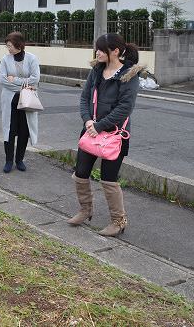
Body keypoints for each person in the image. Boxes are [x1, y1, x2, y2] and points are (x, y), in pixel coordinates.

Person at [68, 33, 142, 236]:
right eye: (97, 49)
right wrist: (88, 121)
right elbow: (84, 98)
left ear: (115, 51)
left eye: (101, 49)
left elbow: (125, 108)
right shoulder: (96, 70)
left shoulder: (129, 75)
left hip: (115, 135)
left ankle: (118, 221)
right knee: (80, 173)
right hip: (91, 130)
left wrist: (99, 125)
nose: (97, 53)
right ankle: (85, 210)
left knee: (109, 179)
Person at [0, 31, 40, 173]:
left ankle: (19, 160)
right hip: (10, 99)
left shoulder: (32, 58)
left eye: (10, 45)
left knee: (24, 130)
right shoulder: (5, 59)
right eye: (7, 46)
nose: (8, 48)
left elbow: (35, 79)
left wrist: (15, 80)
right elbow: (3, 80)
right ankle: (8, 160)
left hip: (27, 100)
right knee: (9, 129)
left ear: (19, 45)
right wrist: (25, 84)